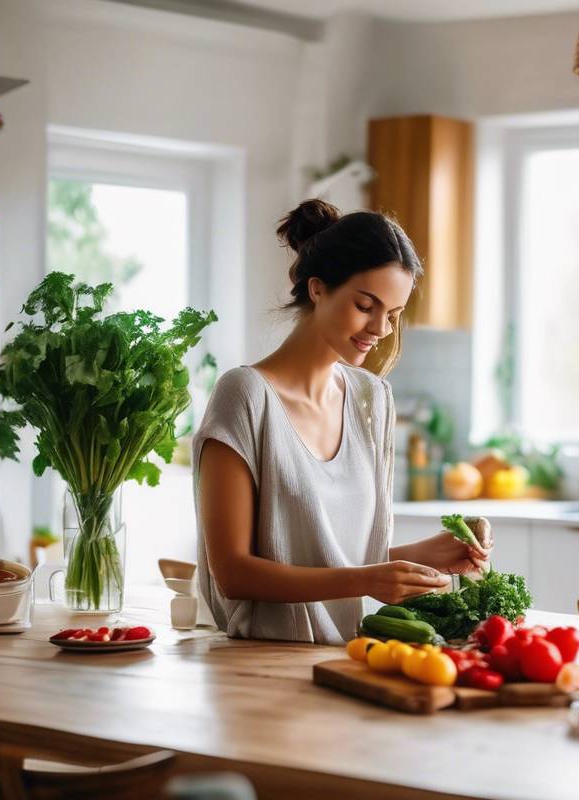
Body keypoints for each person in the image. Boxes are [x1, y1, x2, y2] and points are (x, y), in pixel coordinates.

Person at [193, 200, 489, 645]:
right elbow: (233, 573)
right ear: (317, 289)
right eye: (366, 305)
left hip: (346, 659)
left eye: (393, 314)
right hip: (256, 668)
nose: (382, 328)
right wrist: (366, 580)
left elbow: (328, 557)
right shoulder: (245, 396)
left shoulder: (373, 400)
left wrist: (422, 558)